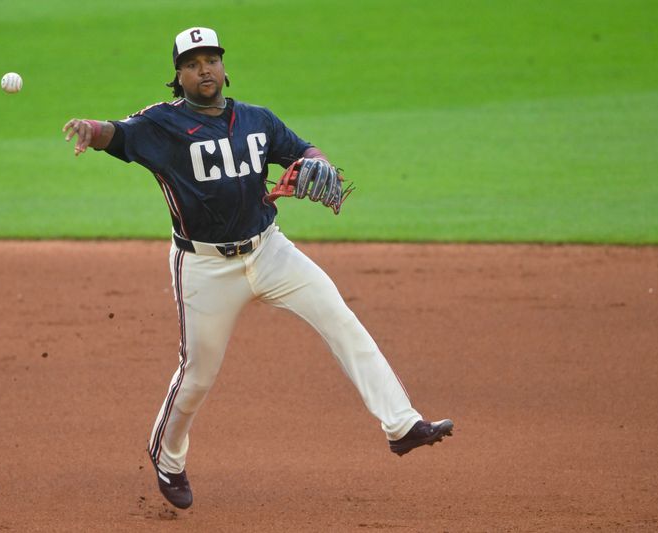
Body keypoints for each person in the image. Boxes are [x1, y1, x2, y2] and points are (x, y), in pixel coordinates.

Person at [62, 27, 453, 510]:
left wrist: (319, 163)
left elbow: (305, 151)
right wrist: (89, 129)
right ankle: (167, 457)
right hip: (204, 268)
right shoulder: (161, 124)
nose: (204, 69)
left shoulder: (257, 120)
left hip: (270, 251)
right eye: (192, 62)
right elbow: (115, 133)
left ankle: (401, 424)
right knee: (198, 375)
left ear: (224, 67)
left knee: (340, 319)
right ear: (178, 75)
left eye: (212, 59)